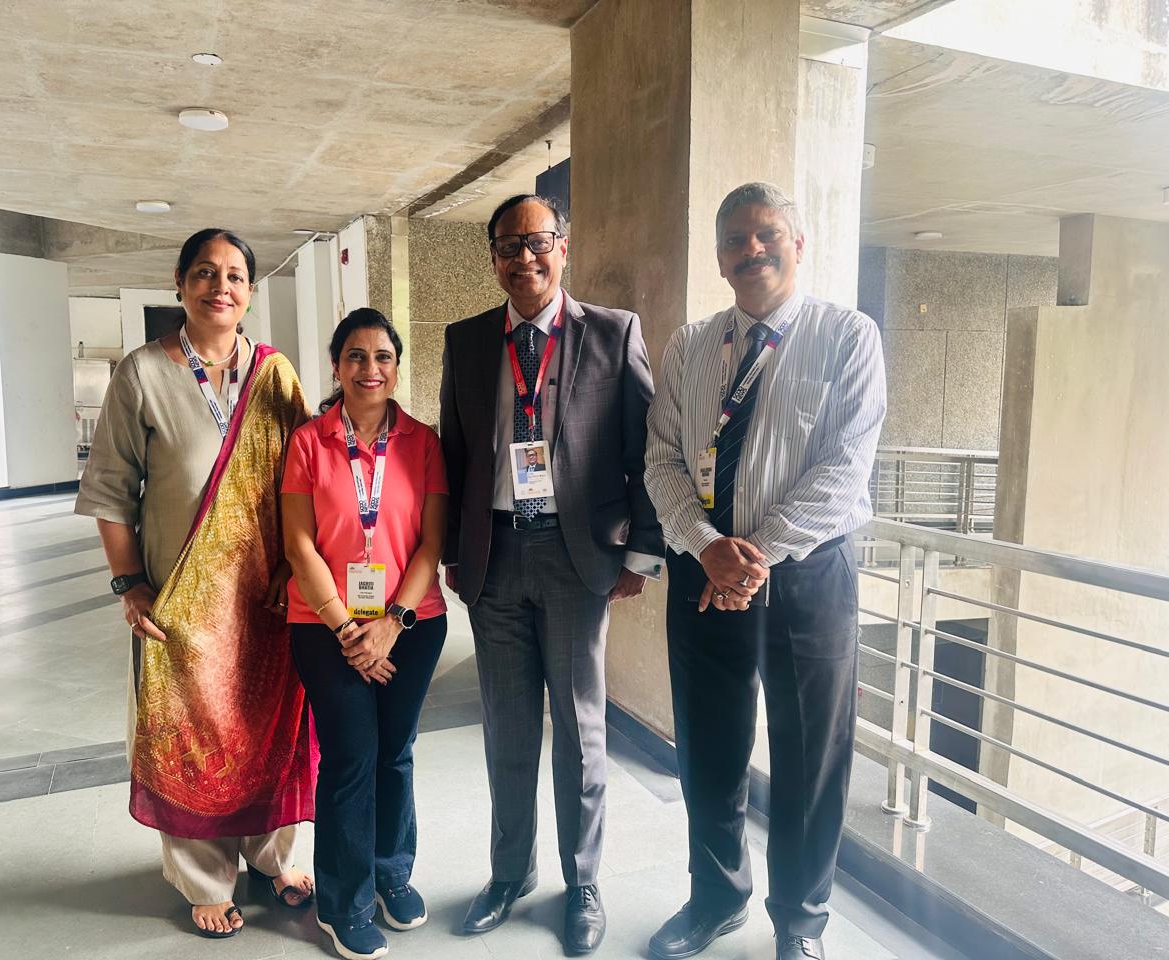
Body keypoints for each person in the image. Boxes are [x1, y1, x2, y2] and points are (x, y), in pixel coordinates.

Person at [643, 182, 886, 960]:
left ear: (798, 244)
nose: (751, 250)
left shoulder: (847, 337)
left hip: (809, 578)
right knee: (708, 746)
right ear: (719, 259)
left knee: (811, 755)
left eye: (767, 234)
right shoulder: (689, 346)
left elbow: (844, 468)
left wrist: (752, 557)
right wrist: (706, 545)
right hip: (702, 568)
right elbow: (661, 459)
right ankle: (716, 899)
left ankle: (801, 924)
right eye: (735, 240)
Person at [75, 228, 317, 939]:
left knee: (269, 723)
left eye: (235, 275)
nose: (221, 286)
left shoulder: (275, 374)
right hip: (180, 595)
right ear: (180, 285)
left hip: (266, 593)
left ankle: (276, 856)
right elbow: (111, 491)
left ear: (250, 291)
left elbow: (307, 479)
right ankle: (205, 878)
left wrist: (293, 568)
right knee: (190, 729)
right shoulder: (143, 373)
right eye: (205, 273)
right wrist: (130, 585)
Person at [438, 194, 663, 954]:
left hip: (576, 558)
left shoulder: (613, 332)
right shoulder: (468, 340)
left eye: (537, 242)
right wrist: (453, 553)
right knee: (506, 728)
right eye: (508, 246)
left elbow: (646, 451)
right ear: (493, 259)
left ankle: (583, 880)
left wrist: (640, 554)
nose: (523, 258)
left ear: (563, 247)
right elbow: (455, 453)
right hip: (496, 556)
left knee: (578, 729)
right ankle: (509, 873)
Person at [283, 308, 448, 960]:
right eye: (356, 355)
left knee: (395, 752)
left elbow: (431, 544)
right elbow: (298, 544)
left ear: (396, 368)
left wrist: (391, 624)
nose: (369, 368)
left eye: (382, 356)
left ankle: (390, 874)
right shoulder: (308, 442)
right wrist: (350, 630)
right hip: (324, 626)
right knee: (351, 756)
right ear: (337, 366)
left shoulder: (423, 442)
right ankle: (343, 902)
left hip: (412, 623)